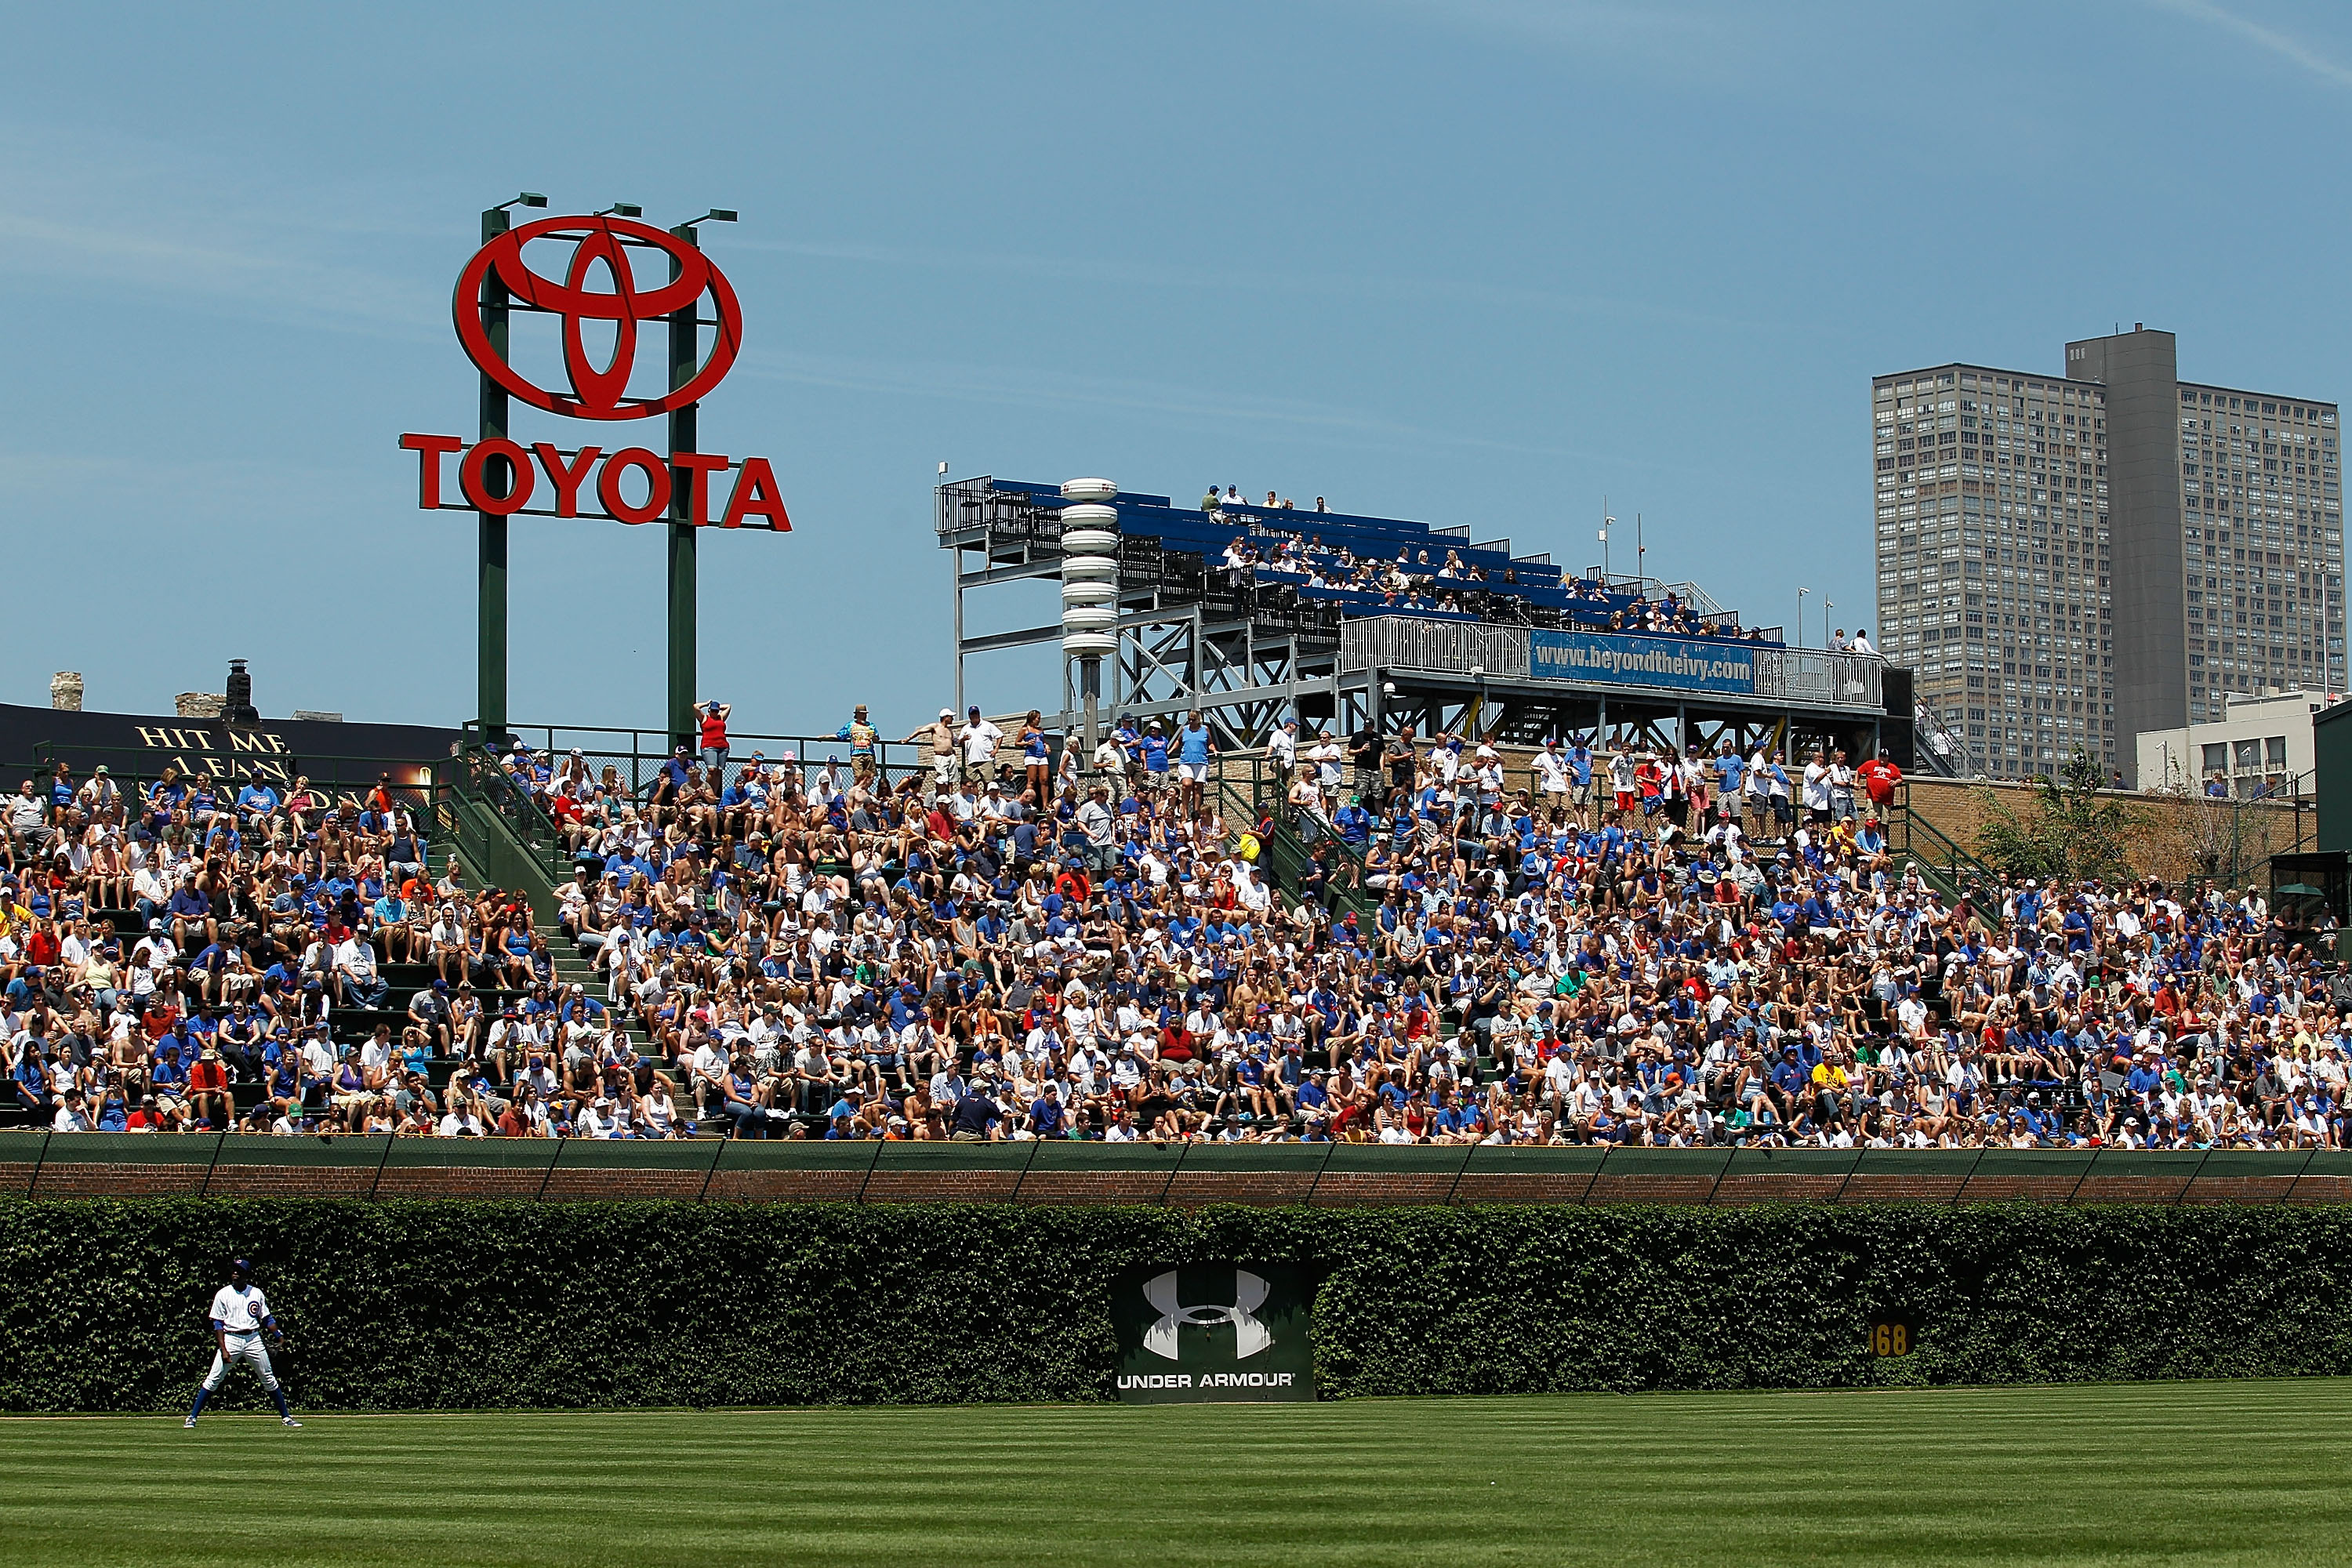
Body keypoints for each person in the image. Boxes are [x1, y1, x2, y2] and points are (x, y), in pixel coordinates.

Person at [186, 1258, 300, 1428]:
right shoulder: (223, 1294)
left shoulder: (256, 1293)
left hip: (253, 1338)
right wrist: (223, 1349)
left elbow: (267, 1318)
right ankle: (192, 1417)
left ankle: (286, 1417)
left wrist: (279, 1335)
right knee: (214, 1378)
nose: (235, 1273)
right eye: (234, 1270)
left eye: (239, 1271)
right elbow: (217, 1324)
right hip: (231, 1338)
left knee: (268, 1379)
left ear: (246, 1275)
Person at [698, 700, 732, 772]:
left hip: (723, 747)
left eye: (716, 711)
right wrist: (707, 704)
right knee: (712, 769)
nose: (714, 713)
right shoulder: (704, 718)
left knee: (719, 771)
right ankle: (707, 784)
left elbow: (728, 706)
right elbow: (696, 707)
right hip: (709, 746)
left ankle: (716, 784)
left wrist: (717, 706)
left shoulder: (721, 717)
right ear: (709, 710)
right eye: (712, 710)